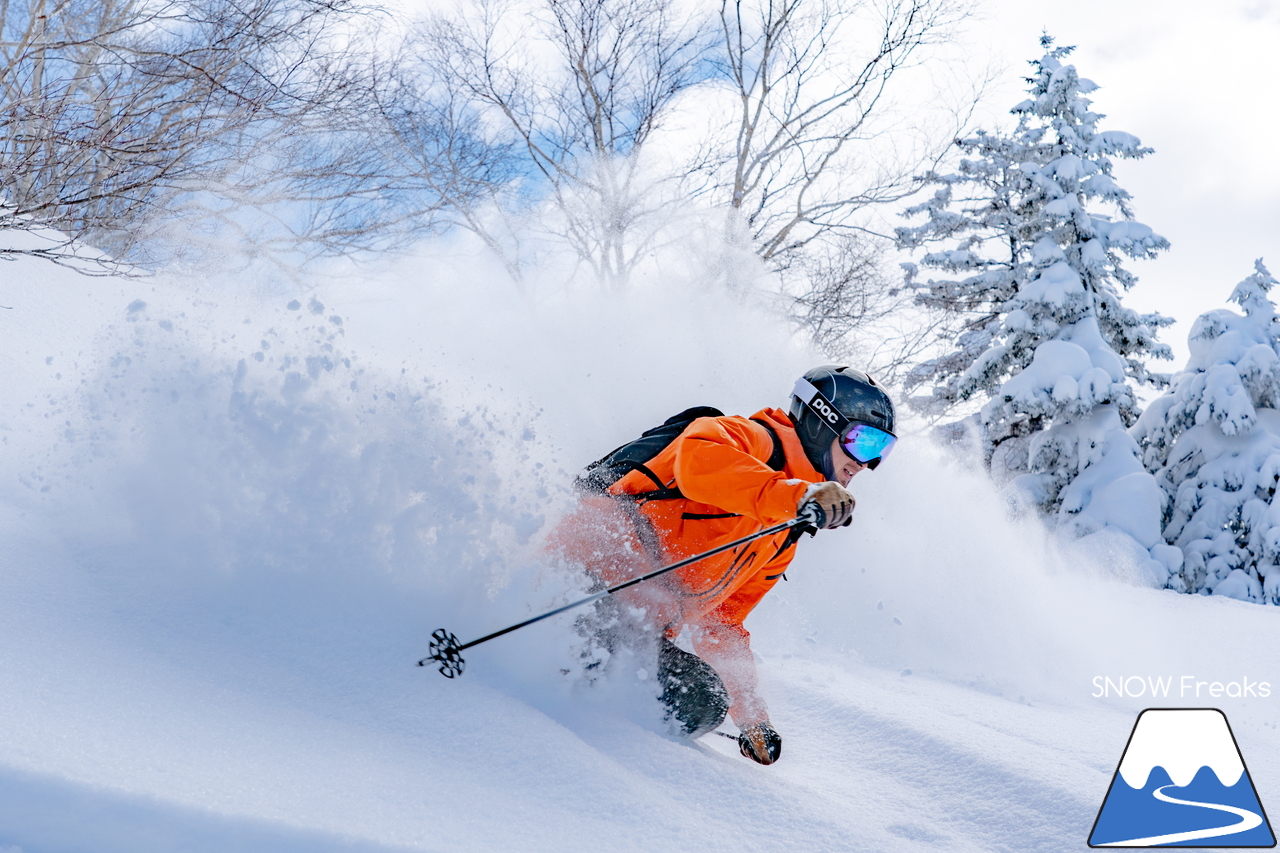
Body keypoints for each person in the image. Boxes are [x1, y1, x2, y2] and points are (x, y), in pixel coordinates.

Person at [548, 365, 896, 765]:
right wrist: (794, 495)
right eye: (863, 441)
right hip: (578, 580)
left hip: (636, 629)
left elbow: (722, 622)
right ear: (822, 421)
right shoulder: (748, 439)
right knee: (597, 641)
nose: (866, 463)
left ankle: (609, 750)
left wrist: (752, 717)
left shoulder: (782, 535)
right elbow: (696, 462)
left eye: (880, 451)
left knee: (702, 701)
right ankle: (528, 712)